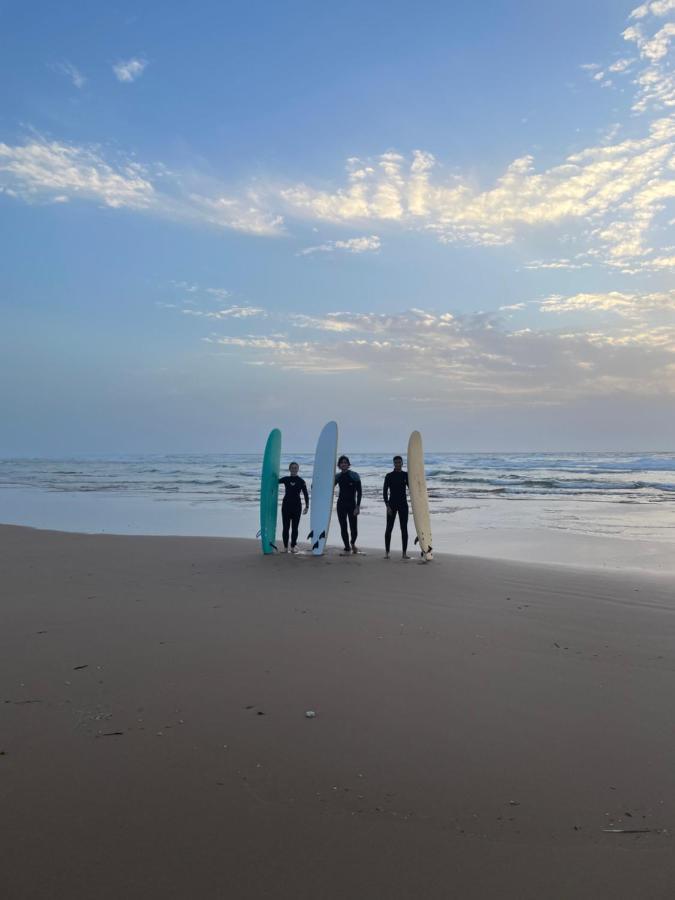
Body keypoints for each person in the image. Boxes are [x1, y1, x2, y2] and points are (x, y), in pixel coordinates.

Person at [383, 455, 410, 559]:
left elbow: (411, 489)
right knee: (389, 528)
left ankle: (404, 553)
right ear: (393, 464)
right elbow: (385, 492)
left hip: (403, 505)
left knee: (404, 529)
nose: (398, 464)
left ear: (402, 463)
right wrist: (387, 506)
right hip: (392, 505)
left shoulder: (405, 475)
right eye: (396, 463)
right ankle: (387, 552)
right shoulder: (389, 476)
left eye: (399, 462)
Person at [278, 462, 309, 553]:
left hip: (297, 507)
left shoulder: (301, 481)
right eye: (292, 467)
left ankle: (292, 547)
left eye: (296, 468)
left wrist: (307, 506)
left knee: (295, 528)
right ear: (289, 469)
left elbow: (306, 494)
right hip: (286, 506)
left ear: (298, 469)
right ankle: (285, 548)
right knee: (286, 527)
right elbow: (274, 482)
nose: (294, 469)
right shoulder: (286, 479)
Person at [335, 455, 362, 555]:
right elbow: (328, 487)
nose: (344, 464)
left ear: (348, 464)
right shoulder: (337, 476)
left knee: (353, 527)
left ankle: (352, 543)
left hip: (352, 505)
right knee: (343, 526)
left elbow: (359, 492)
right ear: (339, 465)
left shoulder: (354, 475)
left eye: (345, 462)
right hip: (341, 505)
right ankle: (347, 546)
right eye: (342, 462)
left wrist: (357, 506)